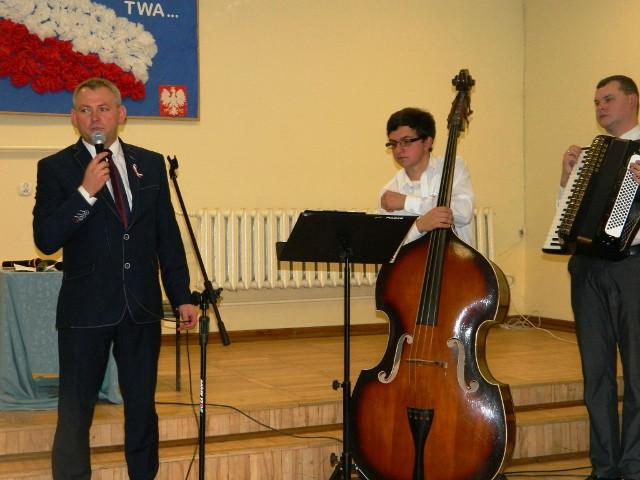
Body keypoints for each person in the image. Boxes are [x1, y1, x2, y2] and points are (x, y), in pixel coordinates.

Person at [32, 77, 198, 480]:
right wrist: (85, 193)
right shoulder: (56, 168)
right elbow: (47, 239)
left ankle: (143, 474)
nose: (95, 118)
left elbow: (166, 235)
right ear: (74, 118)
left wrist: (181, 295)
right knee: (75, 409)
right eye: (85, 110)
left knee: (141, 405)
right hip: (85, 309)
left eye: (103, 108)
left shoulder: (151, 163)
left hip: (140, 306)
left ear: (121, 114)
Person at [560, 75, 640, 480]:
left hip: (633, 266)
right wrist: (566, 179)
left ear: (633, 101)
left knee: (638, 371)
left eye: (608, 99)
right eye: (596, 102)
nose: (600, 107)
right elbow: (566, 222)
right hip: (588, 268)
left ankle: (635, 465)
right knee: (596, 373)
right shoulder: (593, 155)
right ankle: (604, 467)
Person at [379, 107, 475, 245]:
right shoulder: (389, 192)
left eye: (406, 141)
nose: (398, 150)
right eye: (393, 144)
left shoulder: (454, 167)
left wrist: (407, 202)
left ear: (427, 142)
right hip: (412, 260)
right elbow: (389, 244)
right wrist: (419, 226)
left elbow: (463, 213)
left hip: (458, 257)